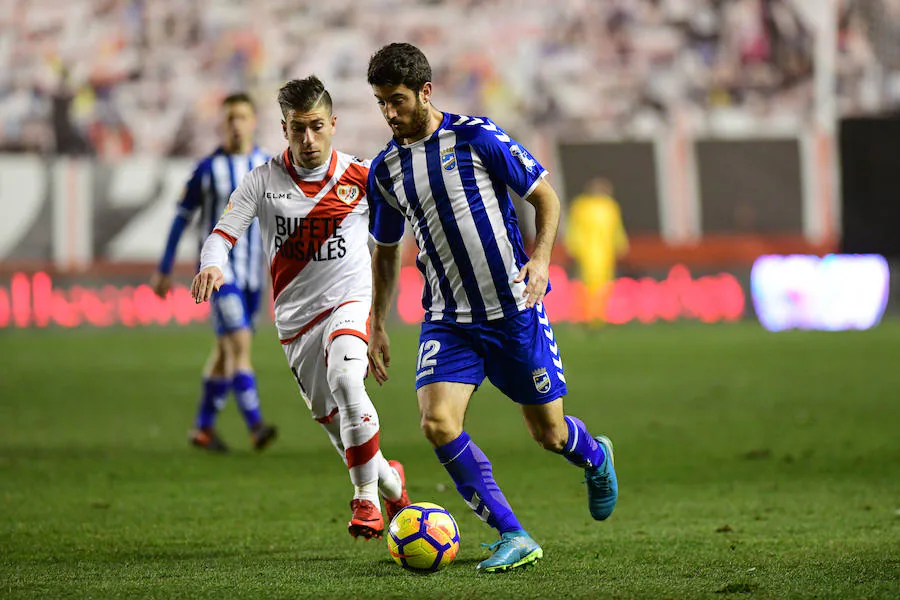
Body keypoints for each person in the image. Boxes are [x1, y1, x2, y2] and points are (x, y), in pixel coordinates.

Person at [365, 43, 618, 573]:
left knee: (548, 434)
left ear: (425, 92)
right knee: (436, 423)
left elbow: (545, 196)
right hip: (448, 320)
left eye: (397, 100)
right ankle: (513, 533)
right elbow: (386, 252)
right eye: (380, 102)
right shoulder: (385, 171)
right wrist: (378, 321)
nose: (389, 112)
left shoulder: (475, 136)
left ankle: (594, 455)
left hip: (513, 309)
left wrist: (542, 260)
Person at [190, 76, 410, 540]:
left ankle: (366, 501)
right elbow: (222, 234)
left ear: (333, 123)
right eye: (296, 129)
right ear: (283, 128)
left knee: (347, 379)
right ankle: (390, 483)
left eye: (315, 127)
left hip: (349, 301)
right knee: (337, 427)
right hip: (295, 323)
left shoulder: (362, 176)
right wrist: (212, 264)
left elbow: (408, 225)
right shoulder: (262, 182)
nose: (307, 140)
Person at [151, 92, 277, 453]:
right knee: (240, 346)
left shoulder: (267, 165)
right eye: (230, 118)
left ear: (253, 122)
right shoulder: (208, 170)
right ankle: (256, 427)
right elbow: (181, 219)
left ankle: (202, 429)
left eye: (242, 117)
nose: (236, 124)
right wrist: (164, 269)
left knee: (225, 352)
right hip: (221, 275)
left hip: (255, 275)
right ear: (222, 124)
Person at [564, 177, 629, 324]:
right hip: (586, 252)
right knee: (585, 285)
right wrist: (574, 246)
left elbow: (616, 228)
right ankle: (584, 317)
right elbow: (574, 228)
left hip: (605, 252)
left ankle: (599, 316)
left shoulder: (610, 206)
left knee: (604, 284)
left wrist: (620, 244)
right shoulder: (581, 206)